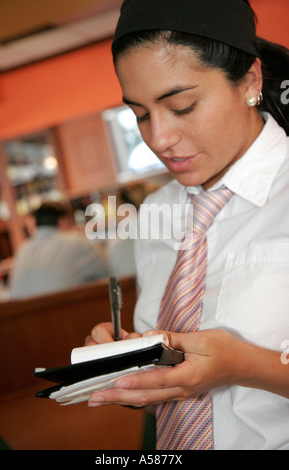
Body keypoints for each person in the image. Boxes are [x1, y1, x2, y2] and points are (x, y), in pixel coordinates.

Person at [85, 0, 289, 450]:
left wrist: (247, 365)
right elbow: (167, 397)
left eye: (182, 105)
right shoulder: (158, 214)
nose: (158, 139)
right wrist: (129, 362)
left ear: (250, 82)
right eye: (140, 114)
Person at [10, 201, 108, 298]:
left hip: (25, 312)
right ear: (63, 221)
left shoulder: (22, 250)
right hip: (65, 311)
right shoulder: (77, 243)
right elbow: (107, 273)